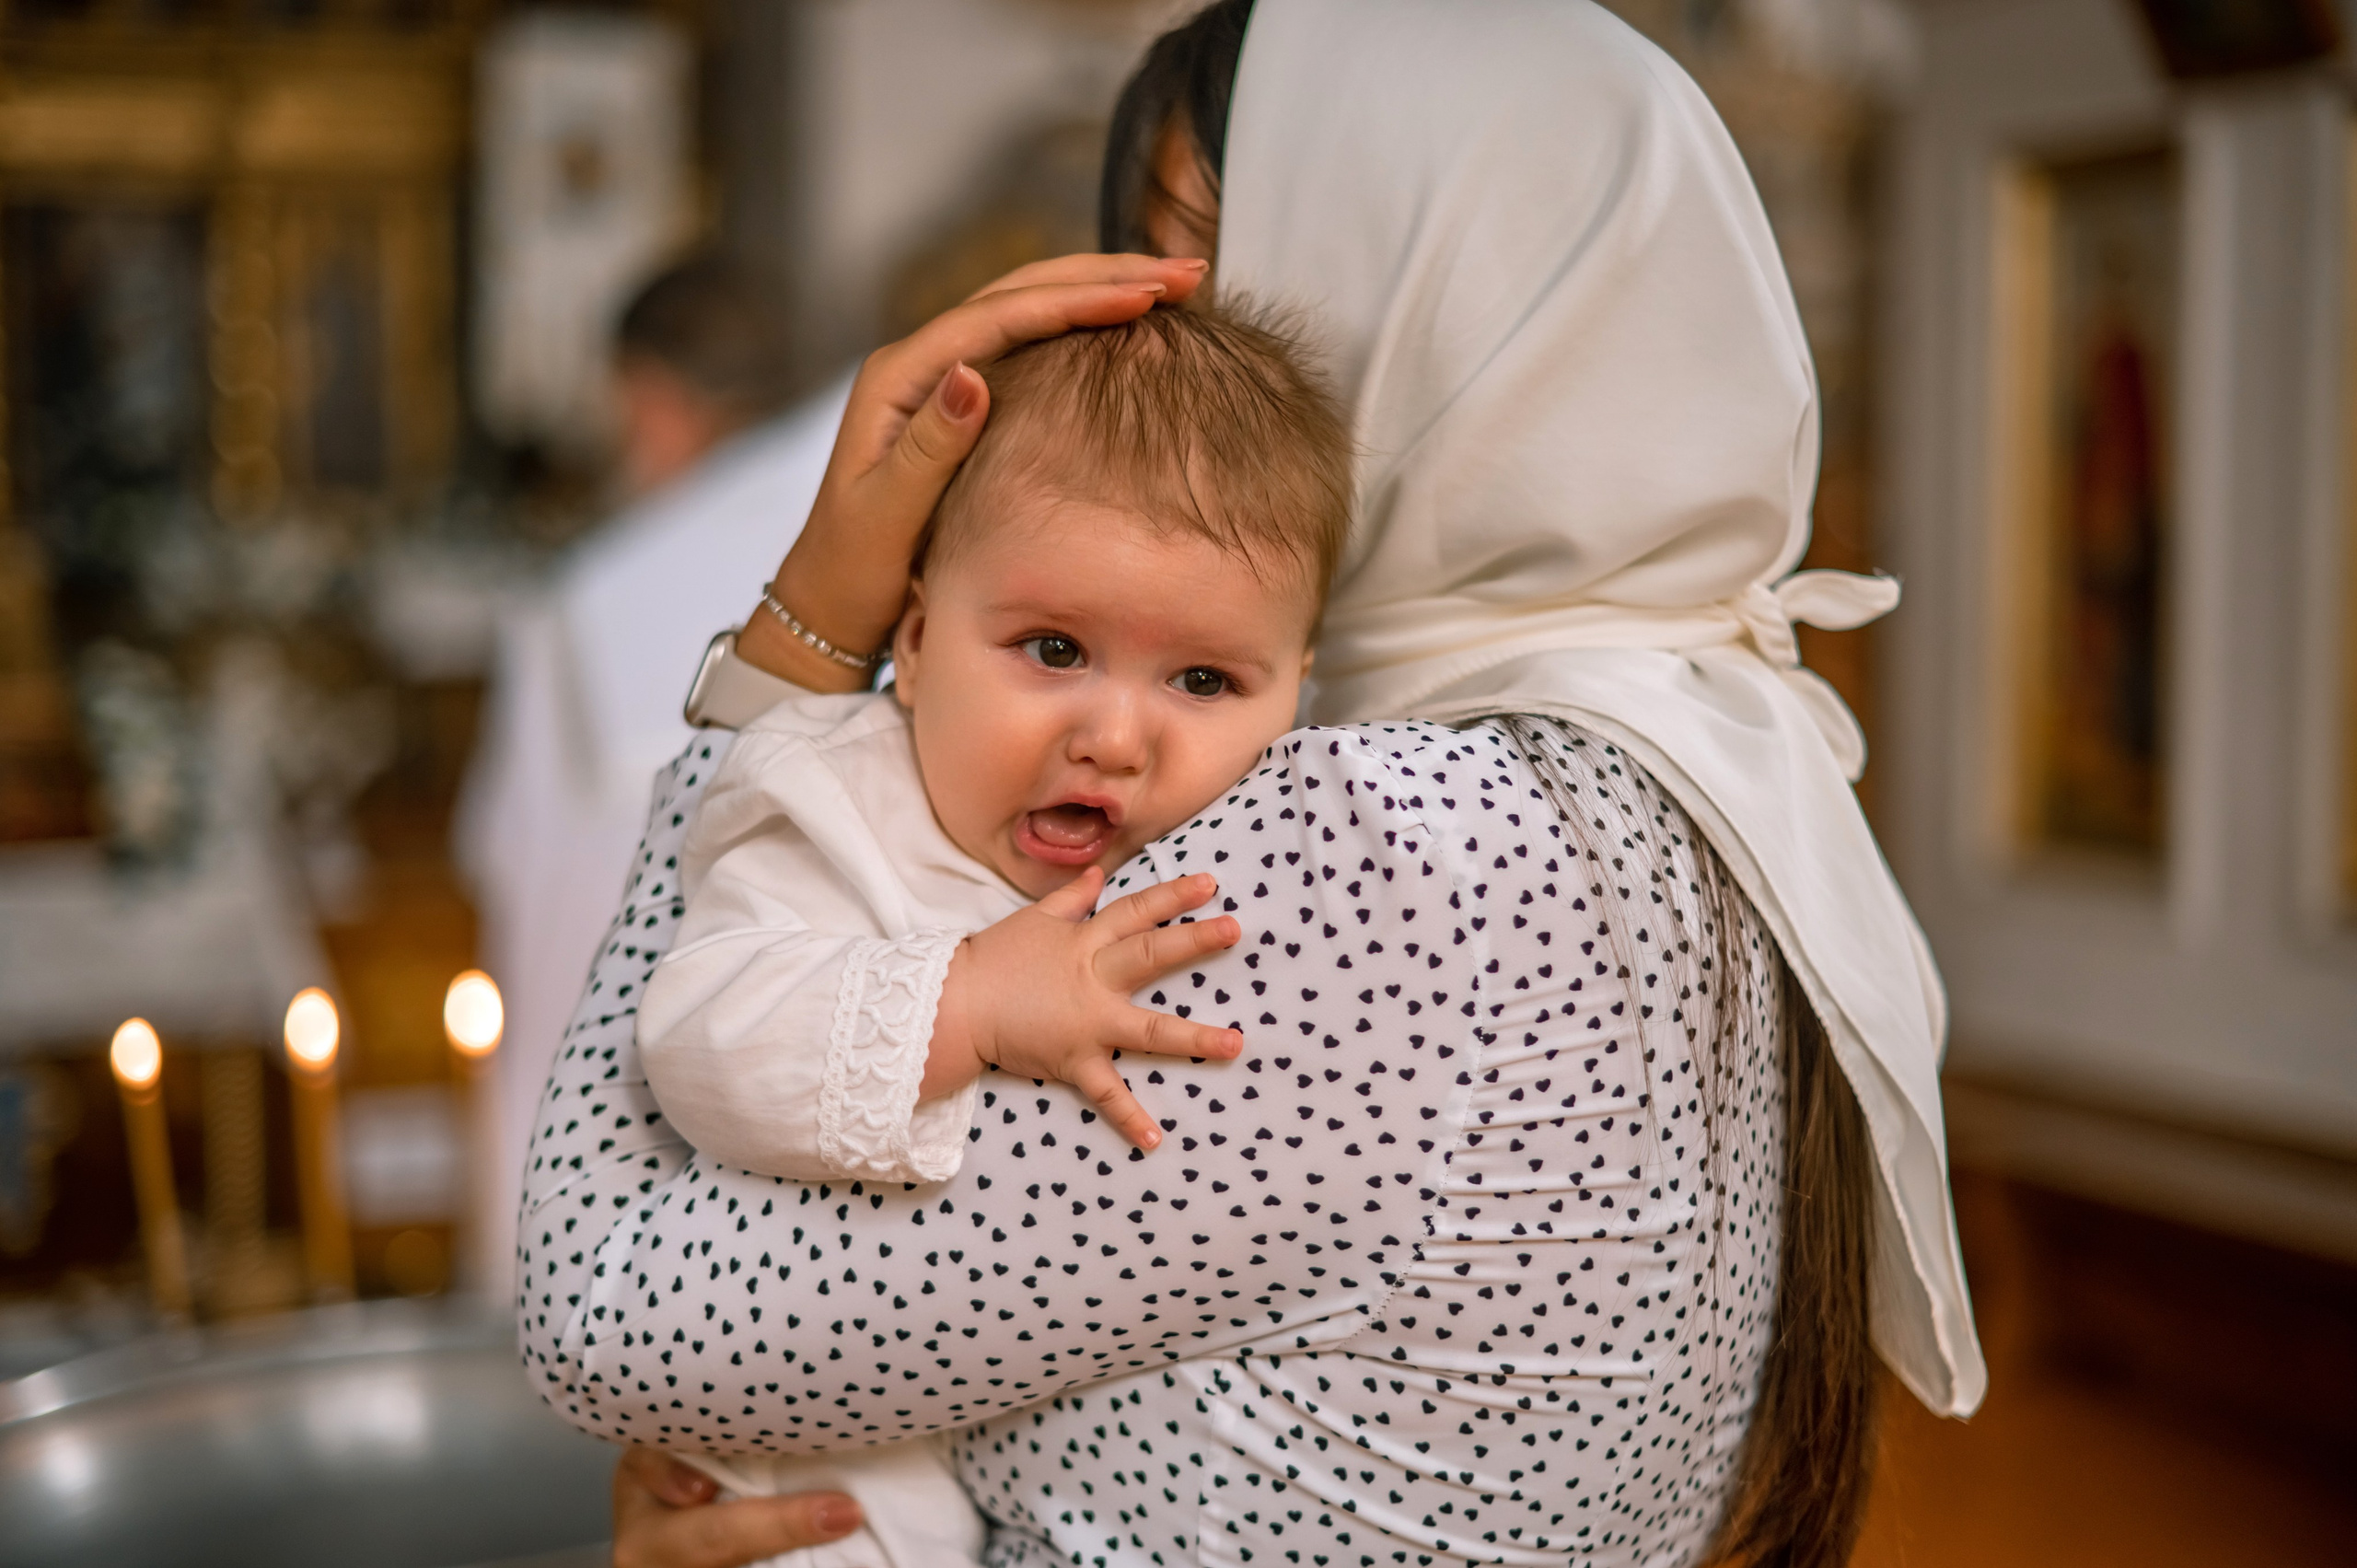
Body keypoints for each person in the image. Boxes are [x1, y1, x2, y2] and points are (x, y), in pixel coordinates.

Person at [528, 5, 1987, 1567]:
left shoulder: (1398, 852)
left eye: (1229, 281)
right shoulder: (1688, 781)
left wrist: (803, 632)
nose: (1162, 386)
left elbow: (605, 1305)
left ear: (1435, 281)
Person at [626, 302, 1353, 1568]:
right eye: (1054, 647)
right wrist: (965, 1001)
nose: (1118, 738)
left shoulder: (1258, 863)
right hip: (811, 1474)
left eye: (1203, 681)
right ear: (912, 643)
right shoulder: (834, 801)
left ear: (1301, 692)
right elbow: (697, 1032)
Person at [459, 256, 847, 1288]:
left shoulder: (597, 601)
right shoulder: (879, 518)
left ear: (650, 401)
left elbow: (534, 898)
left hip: (634, 1122)